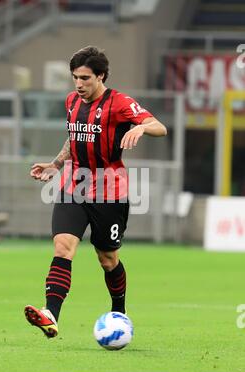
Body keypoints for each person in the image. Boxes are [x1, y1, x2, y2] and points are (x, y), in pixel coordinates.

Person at [25, 46, 167, 339]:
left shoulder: (119, 103)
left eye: (85, 78)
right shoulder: (71, 102)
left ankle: (120, 311)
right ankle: (51, 314)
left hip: (109, 191)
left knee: (107, 258)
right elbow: (74, 137)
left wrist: (141, 129)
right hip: (73, 185)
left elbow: (159, 127)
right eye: (75, 77)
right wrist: (56, 164)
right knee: (63, 246)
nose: (79, 84)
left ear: (100, 75)